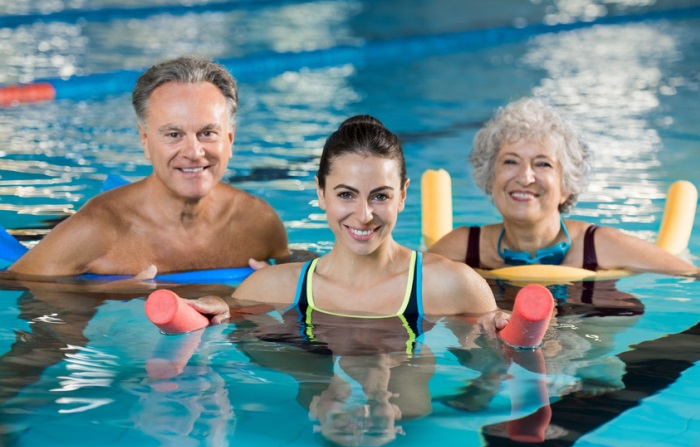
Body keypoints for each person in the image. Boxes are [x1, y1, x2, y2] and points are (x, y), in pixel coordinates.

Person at [191, 114, 504, 326]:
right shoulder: (270, 288)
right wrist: (218, 311)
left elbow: (488, 378)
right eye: (346, 195)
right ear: (322, 193)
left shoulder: (454, 286)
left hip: (410, 423)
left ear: (403, 195)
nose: (364, 215)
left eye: (380, 196)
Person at [8, 56, 291, 278]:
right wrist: (105, 292)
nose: (194, 152)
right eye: (173, 134)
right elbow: (13, 282)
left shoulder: (259, 223)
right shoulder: (97, 229)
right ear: (145, 140)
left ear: (229, 138)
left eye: (207, 132)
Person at [428, 97, 697, 276]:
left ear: (566, 185)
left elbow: (691, 275)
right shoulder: (464, 247)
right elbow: (402, 282)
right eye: (510, 161)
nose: (525, 177)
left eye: (542, 164)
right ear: (490, 177)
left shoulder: (599, 245)